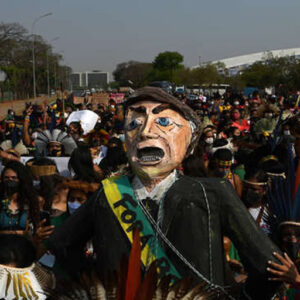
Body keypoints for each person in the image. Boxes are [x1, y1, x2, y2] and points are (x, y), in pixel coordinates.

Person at [49, 87, 284, 299]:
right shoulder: (108, 194)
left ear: (191, 140)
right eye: (134, 124)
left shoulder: (212, 193)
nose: (146, 131)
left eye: (163, 121)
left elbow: (270, 266)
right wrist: (103, 287)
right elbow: (61, 244)